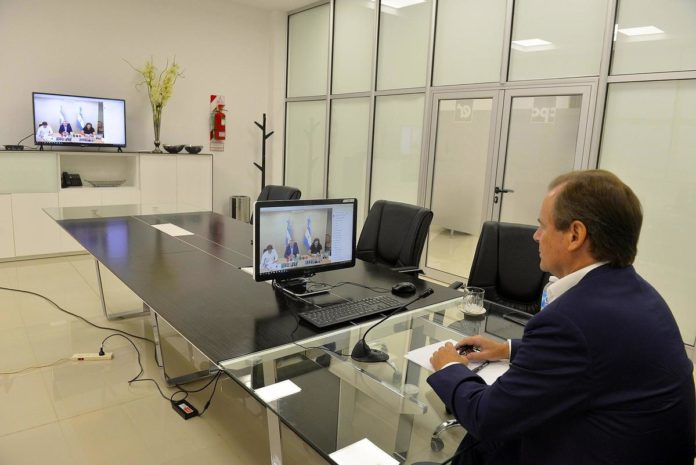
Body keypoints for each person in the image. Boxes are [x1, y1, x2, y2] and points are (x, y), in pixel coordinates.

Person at [428, 170, 695, 465]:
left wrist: (450, 367)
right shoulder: (639, 293)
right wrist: (509, 350)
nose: (536, 236)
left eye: (543, 226)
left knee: (484, 440)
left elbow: (486, 417)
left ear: (575, 235)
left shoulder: (571, 320)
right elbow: (595, 357)